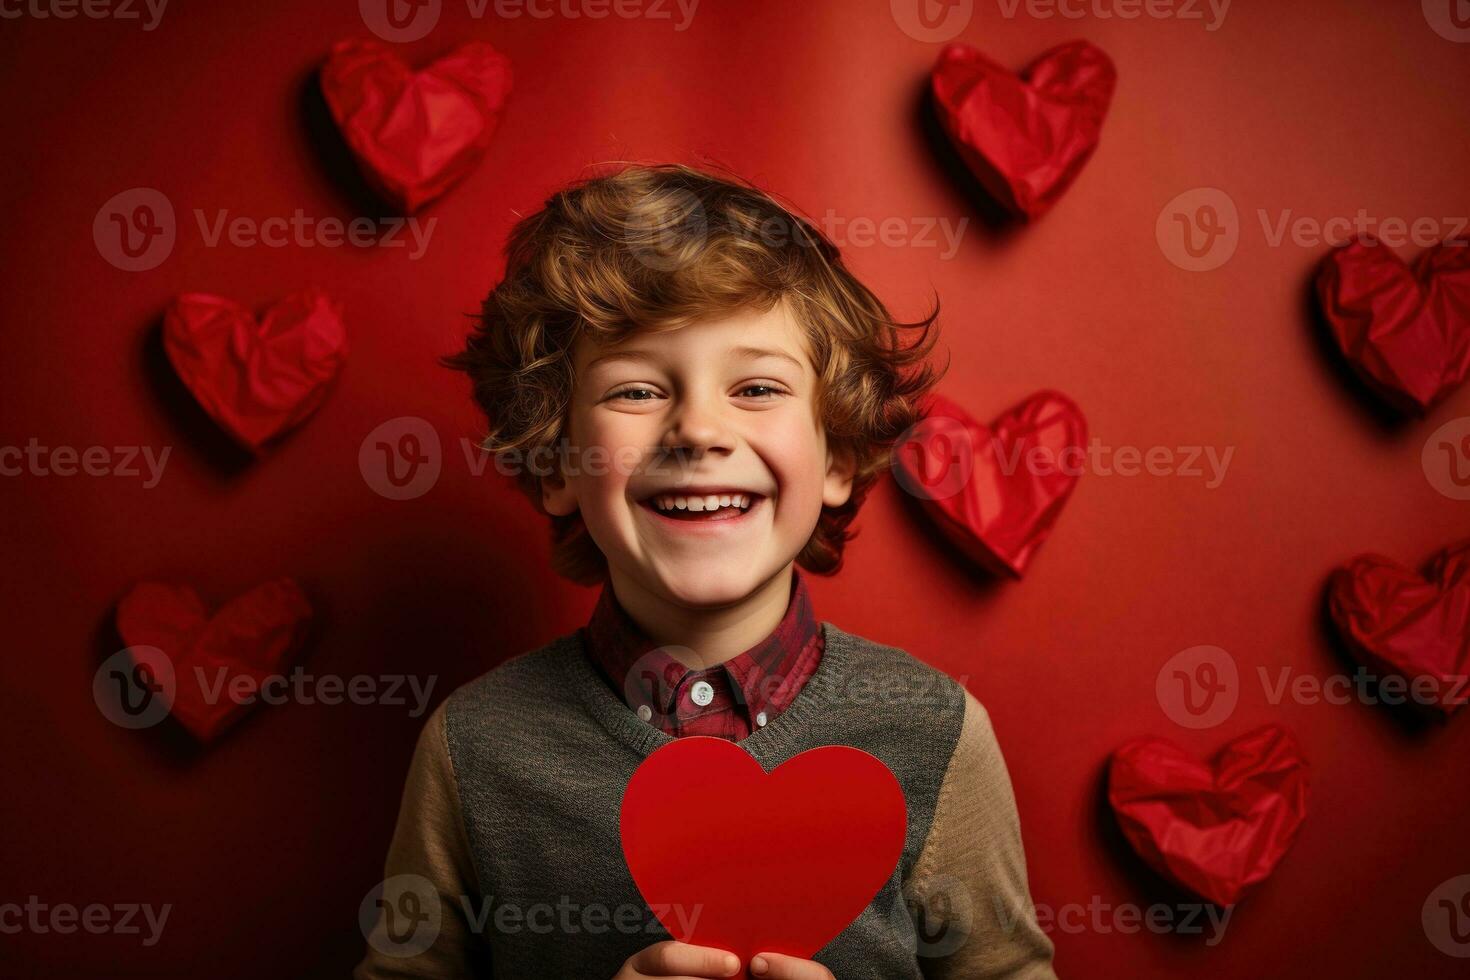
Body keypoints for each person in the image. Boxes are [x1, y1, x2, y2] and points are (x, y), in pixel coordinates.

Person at [355, 163, 1056, 979]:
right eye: (638, 390)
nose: (697, 429)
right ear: (556, 467)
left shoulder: (936, 734)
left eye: (757, 386)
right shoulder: (472, 748)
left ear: (840, 457)